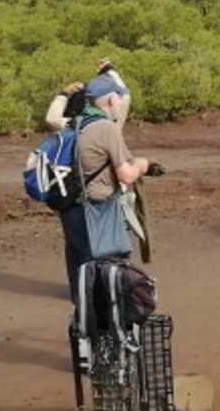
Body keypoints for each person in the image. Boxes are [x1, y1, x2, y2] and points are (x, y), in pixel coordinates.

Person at [60, 75, 153, 302]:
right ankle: (109, 327)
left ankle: (83, 325)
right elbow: (126, 174)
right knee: (110, 268)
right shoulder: (106, 128)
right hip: (98, 208)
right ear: (111, 99)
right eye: (119, 99)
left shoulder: (71, 124)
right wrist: (143, 165)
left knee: (80, 265)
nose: (121, 103)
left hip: (69, 207)